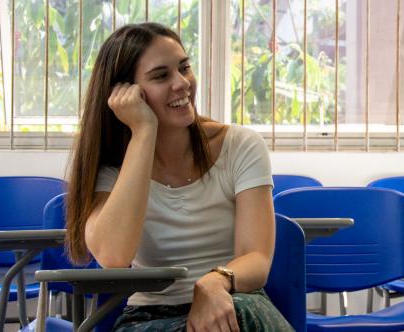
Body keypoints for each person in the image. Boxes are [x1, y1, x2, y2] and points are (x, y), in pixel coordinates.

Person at [65, 22, 293, 332]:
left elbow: (256, 257)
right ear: (125, 95)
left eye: (184, 67)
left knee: (238, 314)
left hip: (232, 302)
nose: (182, 83)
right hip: (150, 319)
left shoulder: (240, 146)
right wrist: (144, 132)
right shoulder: (112, 168)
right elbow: (114, 256)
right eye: (161, 76)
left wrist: (213, 283)